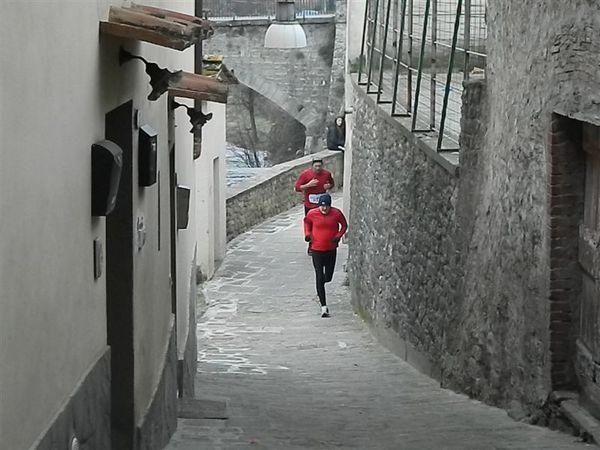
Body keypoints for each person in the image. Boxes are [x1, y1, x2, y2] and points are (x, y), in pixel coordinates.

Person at [304, 193, 348, 318]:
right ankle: (324, 306)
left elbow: (344, 225)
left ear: (330, 206)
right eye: (322, 206)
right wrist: (307, 234)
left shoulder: (336, 213)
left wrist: (338, 236)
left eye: (326, 206)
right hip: (316, 249)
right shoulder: (312, 213)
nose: (324, 209)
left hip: (331, 249)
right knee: (319, 275)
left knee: (328, 277)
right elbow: (307, 223)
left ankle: (320, 287)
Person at [295, 158, 335, 253]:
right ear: (312, 166)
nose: (318, 168)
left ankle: (321, 244)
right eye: (316, 166)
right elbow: (297, 188)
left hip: (322, 205)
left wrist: (329, 186)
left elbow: (332, 183)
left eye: (319, 166)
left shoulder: (326, 174)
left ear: (322, 166)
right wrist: (308, 185)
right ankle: (311, 245)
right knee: (311, 225)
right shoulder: (306, 174)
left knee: (322, 225)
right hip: (310, 205)